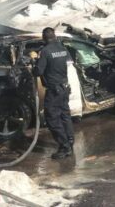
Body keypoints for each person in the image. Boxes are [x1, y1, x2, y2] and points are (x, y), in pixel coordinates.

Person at [37, 27, 75, 159]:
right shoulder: (63, 48)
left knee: (52, 118)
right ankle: (70, 141)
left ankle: (64, 147)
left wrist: (34, 63)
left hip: (54, 91)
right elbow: (69, 62)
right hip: (65, 88)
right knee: (65, 116)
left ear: (44, 38)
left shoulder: (45, 51)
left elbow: (39, 72)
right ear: (54, 36)